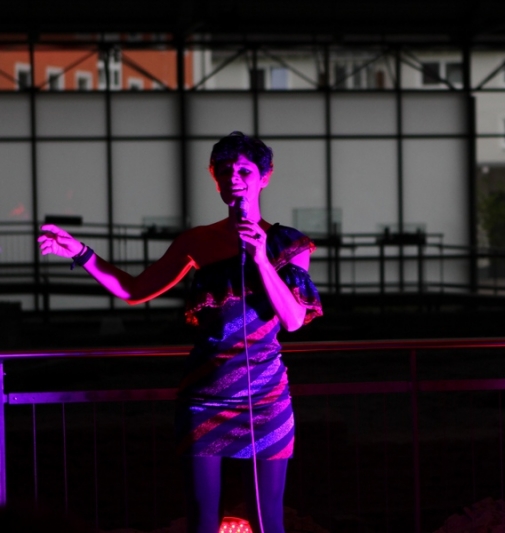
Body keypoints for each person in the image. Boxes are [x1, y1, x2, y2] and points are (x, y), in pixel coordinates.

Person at [38, 131, 323, 533]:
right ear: (215, 178)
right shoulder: (197, 241)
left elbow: (293, 320)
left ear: (265, 177)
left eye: (244, 170)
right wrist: (81, 254)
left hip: (266, 399)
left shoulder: (289, 244)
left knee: (267, 522)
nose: (234, 178)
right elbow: (135, 290)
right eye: (224, 170)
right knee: (202, 520)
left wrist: (261, 258)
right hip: (205, 397)